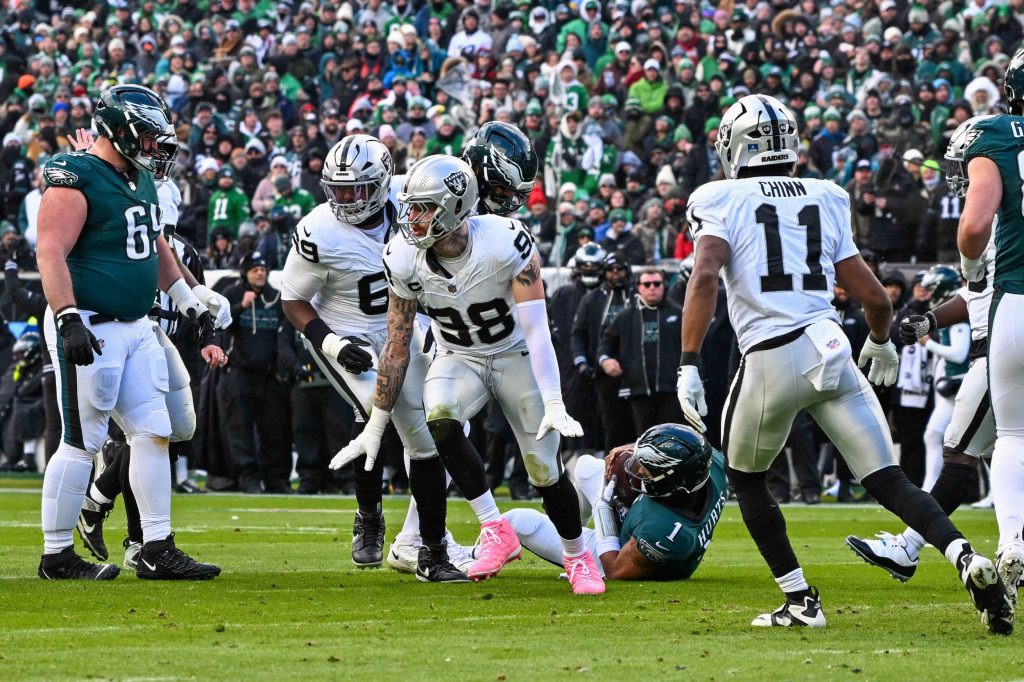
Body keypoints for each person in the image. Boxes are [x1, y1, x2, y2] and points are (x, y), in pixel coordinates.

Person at [678, 94, 1011, 633]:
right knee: (889, 480)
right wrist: (879, 341)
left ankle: (800, 599)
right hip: (831, 346)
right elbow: (875, 297)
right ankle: (965, 557)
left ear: (735, 147)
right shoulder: (827, 194)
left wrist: (689, 362)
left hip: (771, 354)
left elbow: (705, 276)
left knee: (747, 477)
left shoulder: (716, 196)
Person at [332, 156, 603, 594]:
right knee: (438, 415)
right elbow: (397, 343)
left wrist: (553, 399)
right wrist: (376, 424)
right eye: (411, 207)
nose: (412, 218)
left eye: (424, 208)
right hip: (459, 356)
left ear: (455, 208)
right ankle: (494, 527)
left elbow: (537, 329)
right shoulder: (402, 256)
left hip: (514, 355)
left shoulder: (505, 240)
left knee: (543, 469)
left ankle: (577, 556)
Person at [36, 84, 220, 580]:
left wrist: (190, 302)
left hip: (137, 326)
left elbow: (153, 246)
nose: (157, 148)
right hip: (90, 325)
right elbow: (50, 251)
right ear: (120, 131)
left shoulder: (139, 177)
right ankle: (56, 555)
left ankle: (155, 547)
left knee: (154, 432)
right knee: (83, 441)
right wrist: (67, 316)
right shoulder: (76, 176)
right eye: (149, 137)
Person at [280, 134, 473, 573]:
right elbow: (292, 301)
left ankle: (424, 543)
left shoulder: (413, 202)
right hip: (345, 331)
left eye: (357, 189)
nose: (346, 200)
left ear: (384, 182)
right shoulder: (319, 230)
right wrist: (333, 342)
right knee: (373, 406)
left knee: (434, 424)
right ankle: (370, 515)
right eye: (338, 190)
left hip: (403, 327)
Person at [848, 117, 1000, 585]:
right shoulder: (1001, 223)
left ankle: (914, 547)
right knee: (992, 450)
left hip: (1002, 350)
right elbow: (978, 291)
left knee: (960, 454)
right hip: (999, 345)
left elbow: (986, 285)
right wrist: (932, 319)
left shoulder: (996, 224)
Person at [956, 52, 1024, 610]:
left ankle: (1012, 540)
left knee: (1015, 436)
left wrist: (971, 266)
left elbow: (975, 224)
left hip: (1018, 300)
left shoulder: (997, 134)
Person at [504, 424, 726, 580]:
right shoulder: (709, 464)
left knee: (518, 521)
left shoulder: (665, 532)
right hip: (651, 515)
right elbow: (678, 449)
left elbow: (614, 569)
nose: (639, 470)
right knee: (586, 467)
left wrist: (603, 509)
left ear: (673, 482)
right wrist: (631, 449)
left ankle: (579, 557)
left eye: (647, 471)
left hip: (623, 555)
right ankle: (573, 528)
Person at [597, 267, 684, 434]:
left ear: (664, 286)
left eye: (657, 283)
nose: (652, 288)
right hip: (638, 390)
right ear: (638, 287)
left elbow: (693, 348)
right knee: (643, 440)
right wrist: (605, 360)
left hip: (672, 389)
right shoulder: (625, 316)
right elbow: (605, 343)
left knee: (671, 439)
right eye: (647, 284)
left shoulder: (678, 313)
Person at [571, 251, 635, 453]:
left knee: (638, 424)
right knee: (611, 425)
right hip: (603, 372)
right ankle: (612, 467)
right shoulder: (591, 299)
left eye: (619, 269)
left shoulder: (637, 297)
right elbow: (578, 333)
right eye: (610, 269)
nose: (615, 273)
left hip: (636, 372)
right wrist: (581, 361)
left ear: (627, 271)